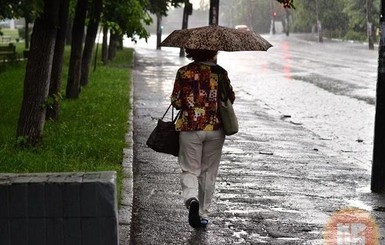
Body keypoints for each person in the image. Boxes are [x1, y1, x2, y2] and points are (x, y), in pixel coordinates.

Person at [170, 48, 235, 229]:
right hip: (215, 129)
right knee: (208, 172)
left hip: (190, 128)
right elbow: (230, 97)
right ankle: (203, 214)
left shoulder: (184, 72)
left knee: (190, 170)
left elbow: (176, 101)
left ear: (192, 52)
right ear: (213, 51)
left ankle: (192, 200)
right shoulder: (220, 73)